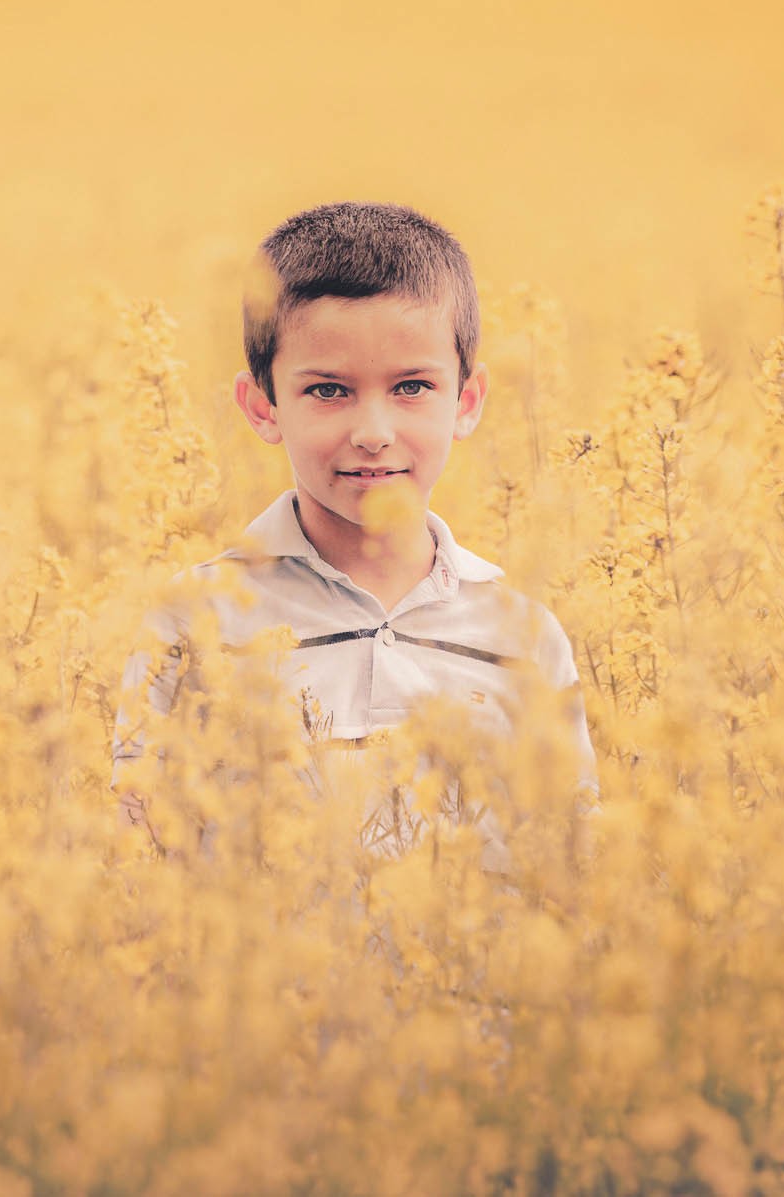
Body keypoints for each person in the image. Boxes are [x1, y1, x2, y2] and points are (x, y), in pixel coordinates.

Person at [112, 201, 598, 868]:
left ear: (468, 401)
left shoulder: (524, 637)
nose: (373, 432)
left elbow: (571, 868)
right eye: (329, 391)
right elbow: (140, 861)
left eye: (411, 386)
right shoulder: (193, 620)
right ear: (263, 406)